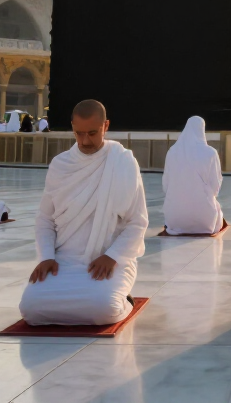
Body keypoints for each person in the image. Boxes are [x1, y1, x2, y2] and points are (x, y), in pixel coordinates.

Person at [19, 100, 147, 326]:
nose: (85, 141)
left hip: (109, 261)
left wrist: (112, 256)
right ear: (72, 127)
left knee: (105, 308)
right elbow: (46, 219)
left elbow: (137, 222)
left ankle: (124, 299)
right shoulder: (60, 164)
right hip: (64, 260)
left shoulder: (123, 162)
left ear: (105, 126)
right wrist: (47, 256)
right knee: (30, 309)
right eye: (79, 133)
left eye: (92, 133)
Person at [162, 116, 224, 235]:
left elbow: (166, 184)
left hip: (175, 218)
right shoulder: (210, 153)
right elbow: (215, 185)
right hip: (204, 220)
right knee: (216, 211)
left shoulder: (172, 151)